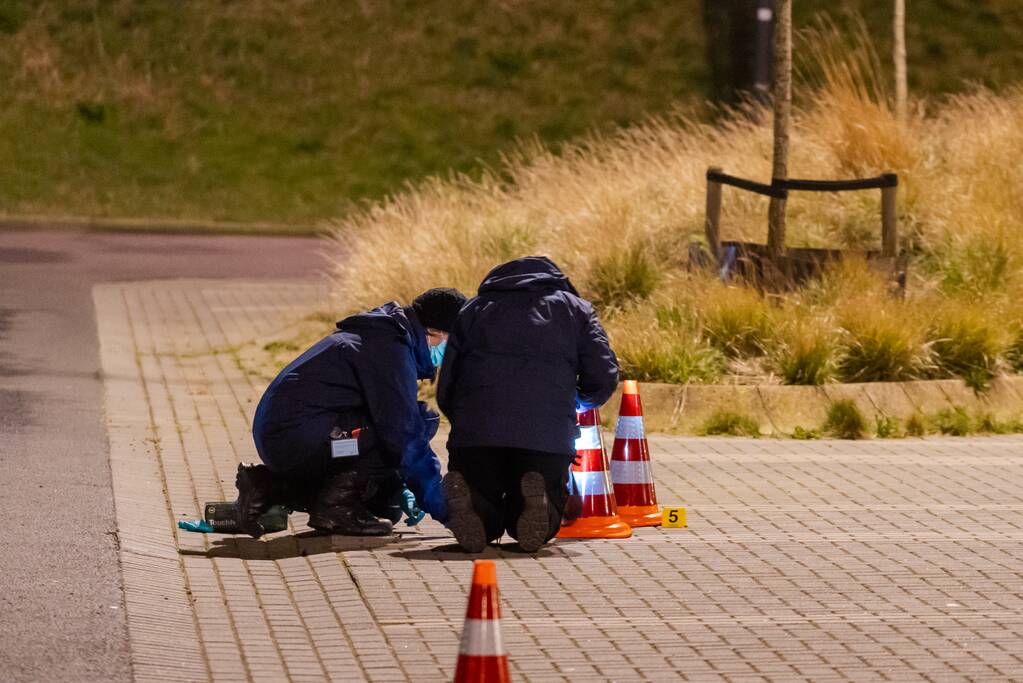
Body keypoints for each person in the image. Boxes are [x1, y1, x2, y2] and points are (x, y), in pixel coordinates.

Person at [237, 287, 467, 537]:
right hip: (299, 440)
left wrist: (396, 486)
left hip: (292, 437)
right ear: (436, 332)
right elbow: (403, 435)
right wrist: (445, 508)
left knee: (384, 505)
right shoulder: (389, 352)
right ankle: (336, 507)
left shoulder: (382, 338)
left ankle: (268, 487)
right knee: (421, 420)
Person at [437, 256, 619, 553]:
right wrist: (570, 403)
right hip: (544, 431)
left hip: (477, 430)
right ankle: (539, 505)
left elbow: (448, 381)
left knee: (480, 490)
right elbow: (602, 375)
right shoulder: (575, 310)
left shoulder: (473, 309)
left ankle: (474, 508)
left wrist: (464, 420)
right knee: (545, 492)